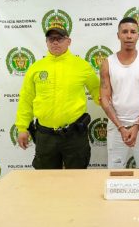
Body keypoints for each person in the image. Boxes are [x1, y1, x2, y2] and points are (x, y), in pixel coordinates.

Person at [15, 23, 100, 169]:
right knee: (46, 182)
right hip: (45, 136)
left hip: (74, 136)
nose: (55, 42)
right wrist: (22, 128)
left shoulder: (82, 66)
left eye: (59, 38)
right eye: (51, 38)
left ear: (69, 41)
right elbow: (26, 99)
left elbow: (99, 93)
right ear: (46, 42)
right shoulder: (36, 68)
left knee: (77, 180)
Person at [100, 17, 139, 169]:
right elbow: (104, 99)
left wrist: (137, 125)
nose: (129, 35)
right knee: (115, 172)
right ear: (118, 35)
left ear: (138, 35)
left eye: (133, 32)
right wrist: (121, 127)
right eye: (124, 32)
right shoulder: (107, 63)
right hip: (116, 128)